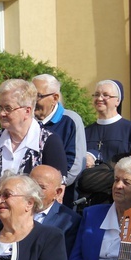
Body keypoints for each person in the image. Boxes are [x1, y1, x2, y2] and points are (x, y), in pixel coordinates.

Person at [0, 79, 68, 207]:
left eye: (8, 108)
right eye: (0, 108)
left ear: (27, 111)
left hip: (35, 222)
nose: (1, 113)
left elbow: (56, 192)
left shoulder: (49, 142)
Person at [32, 74, 86, 205]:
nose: (32, 101)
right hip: (30, 194)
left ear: (55, 98)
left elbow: (75, 165)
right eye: (29, 95)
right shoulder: (27, 121)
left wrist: (52, 188)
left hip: (60, 198)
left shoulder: (71, 120)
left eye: (38, 96)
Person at [29, 165, 81, 256]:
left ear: (58, 192)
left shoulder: (69, 221)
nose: (34, 191)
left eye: (41, 187)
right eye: (31, 185)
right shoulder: (14, 210)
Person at [84, 79, 131, 165]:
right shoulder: (86, 131)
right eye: (96, 95)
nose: (99, 98)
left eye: (105, 95)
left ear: (117, 101)